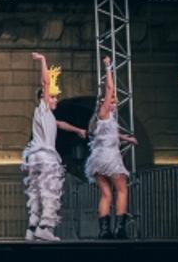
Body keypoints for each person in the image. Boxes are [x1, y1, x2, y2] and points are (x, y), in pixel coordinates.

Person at [21, 53, 86, 242]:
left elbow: (61, 124)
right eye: (53, 98)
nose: (56, 100)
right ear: (44, 97)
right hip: (45, 158)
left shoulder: (47, 117)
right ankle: (45, 227)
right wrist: (43, 61)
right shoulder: (42, 109)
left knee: (37, 194)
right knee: (50, 192)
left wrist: (78, 130)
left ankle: (32, 229)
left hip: (35, 159)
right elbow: (45, 84)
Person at [85, 56, 139, 239]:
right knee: (122, 190)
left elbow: (110, 136)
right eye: (112, 100)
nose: (114, 103)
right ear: (103, 103)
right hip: (109, 157)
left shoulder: (101, 119)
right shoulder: (105, 112)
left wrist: (126, 138)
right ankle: (120, 229)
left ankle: (104, 231)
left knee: (107, 194)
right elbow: (109, 88)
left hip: (97, 159)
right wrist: (108, 68)